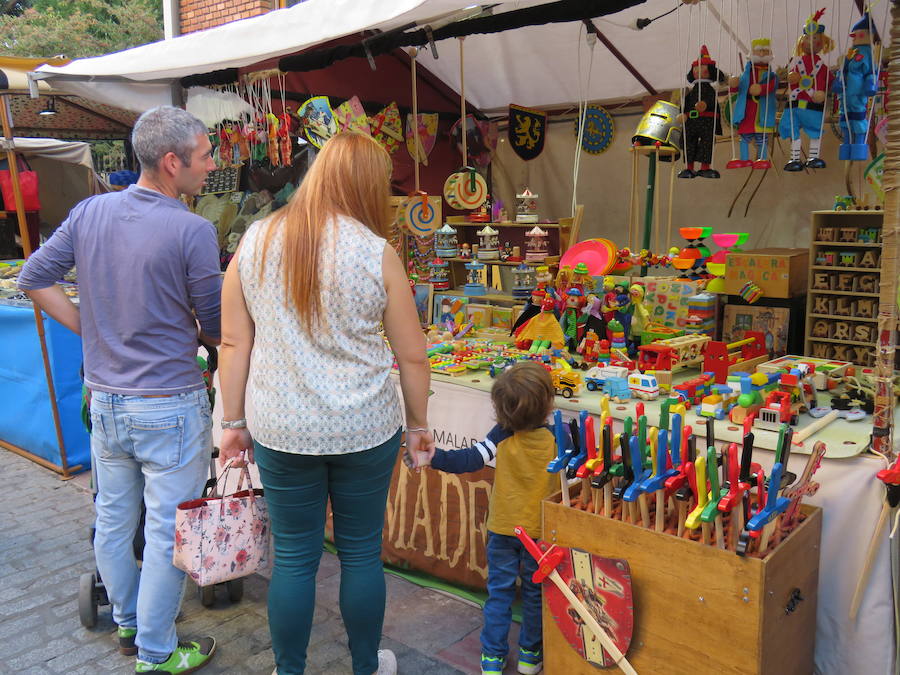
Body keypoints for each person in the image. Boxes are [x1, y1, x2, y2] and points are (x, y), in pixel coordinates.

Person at [217, 131, 434, 675]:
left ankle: (289, 670)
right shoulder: (375, 251)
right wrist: (418, 425)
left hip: (282, 427)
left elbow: (233, 343)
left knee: (293, 557)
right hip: (365, 426)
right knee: (361, 552)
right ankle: (366, 665)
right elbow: (412, 355)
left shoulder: (256, 240)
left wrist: (232, 423)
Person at [18, 106, 221, 673]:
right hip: (168, 404)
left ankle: (131, 623)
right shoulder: (193, 229)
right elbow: (217, 326)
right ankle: (156, 654)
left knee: (112, 518)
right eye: (205, 156)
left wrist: (93, 328)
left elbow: (35, 277)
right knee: (162, 531)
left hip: (104, 400)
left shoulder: (90, 213)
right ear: (172, 161)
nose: (212, 166)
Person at [414, 361, 557, 675]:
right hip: (541, 534)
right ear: (548, 402)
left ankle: (492, 658)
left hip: (504, 529)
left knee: (500, 592)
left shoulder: (502, 434)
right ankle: (530, 656)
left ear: (501, 409)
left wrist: (433, 457)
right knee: (535, 595)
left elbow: (467, 459)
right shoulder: (560, 438)